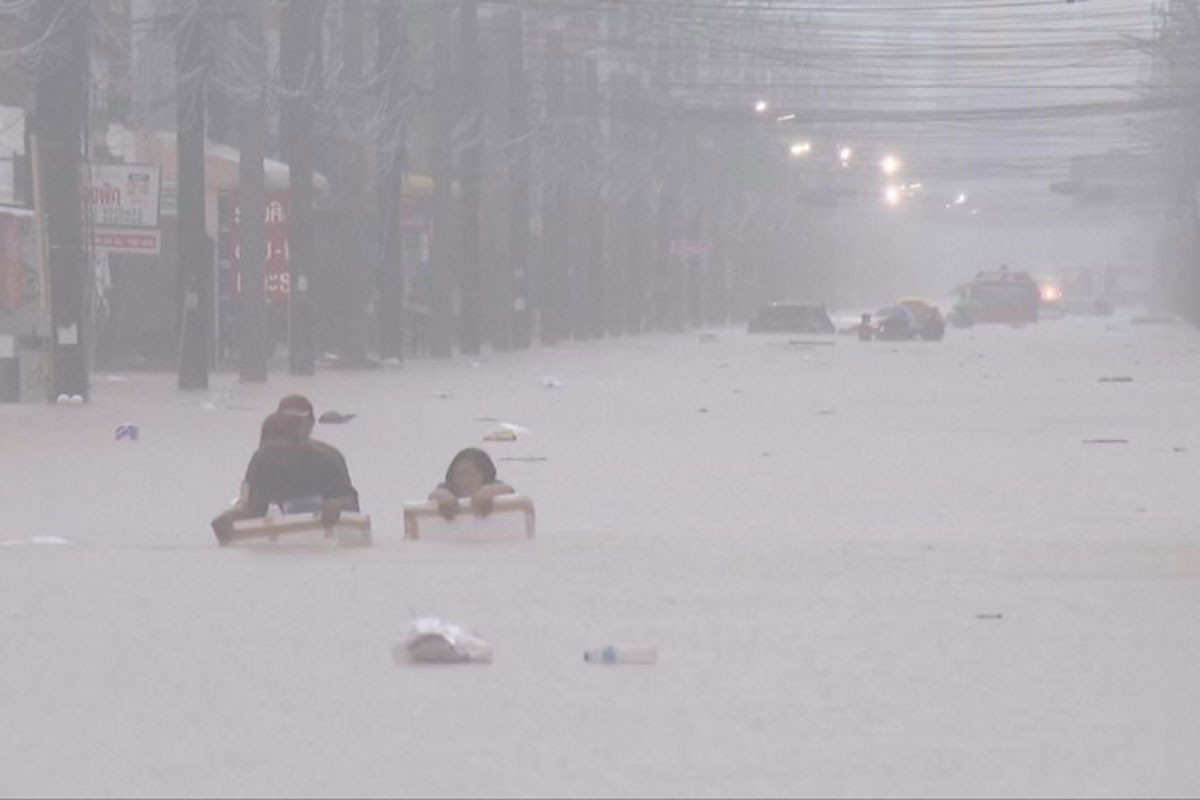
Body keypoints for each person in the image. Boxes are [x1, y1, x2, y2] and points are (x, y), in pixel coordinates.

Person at [211, 412, 360, 544]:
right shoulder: (261, 460)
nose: (275, 456)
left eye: (282, 450)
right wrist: (229, 519)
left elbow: (352, 503)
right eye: (270, 449)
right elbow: (253, 508)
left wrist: (337, 506)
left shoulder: (328, 459)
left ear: (302, 443)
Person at [428, 448, 514, 520]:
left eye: (470, 474)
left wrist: (488, 491)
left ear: (484, 475)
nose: (464, 481)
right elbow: (435, 494)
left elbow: (509, 491)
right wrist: (444, 497)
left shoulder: (493, 485)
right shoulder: (448, 488)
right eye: (458, 474)